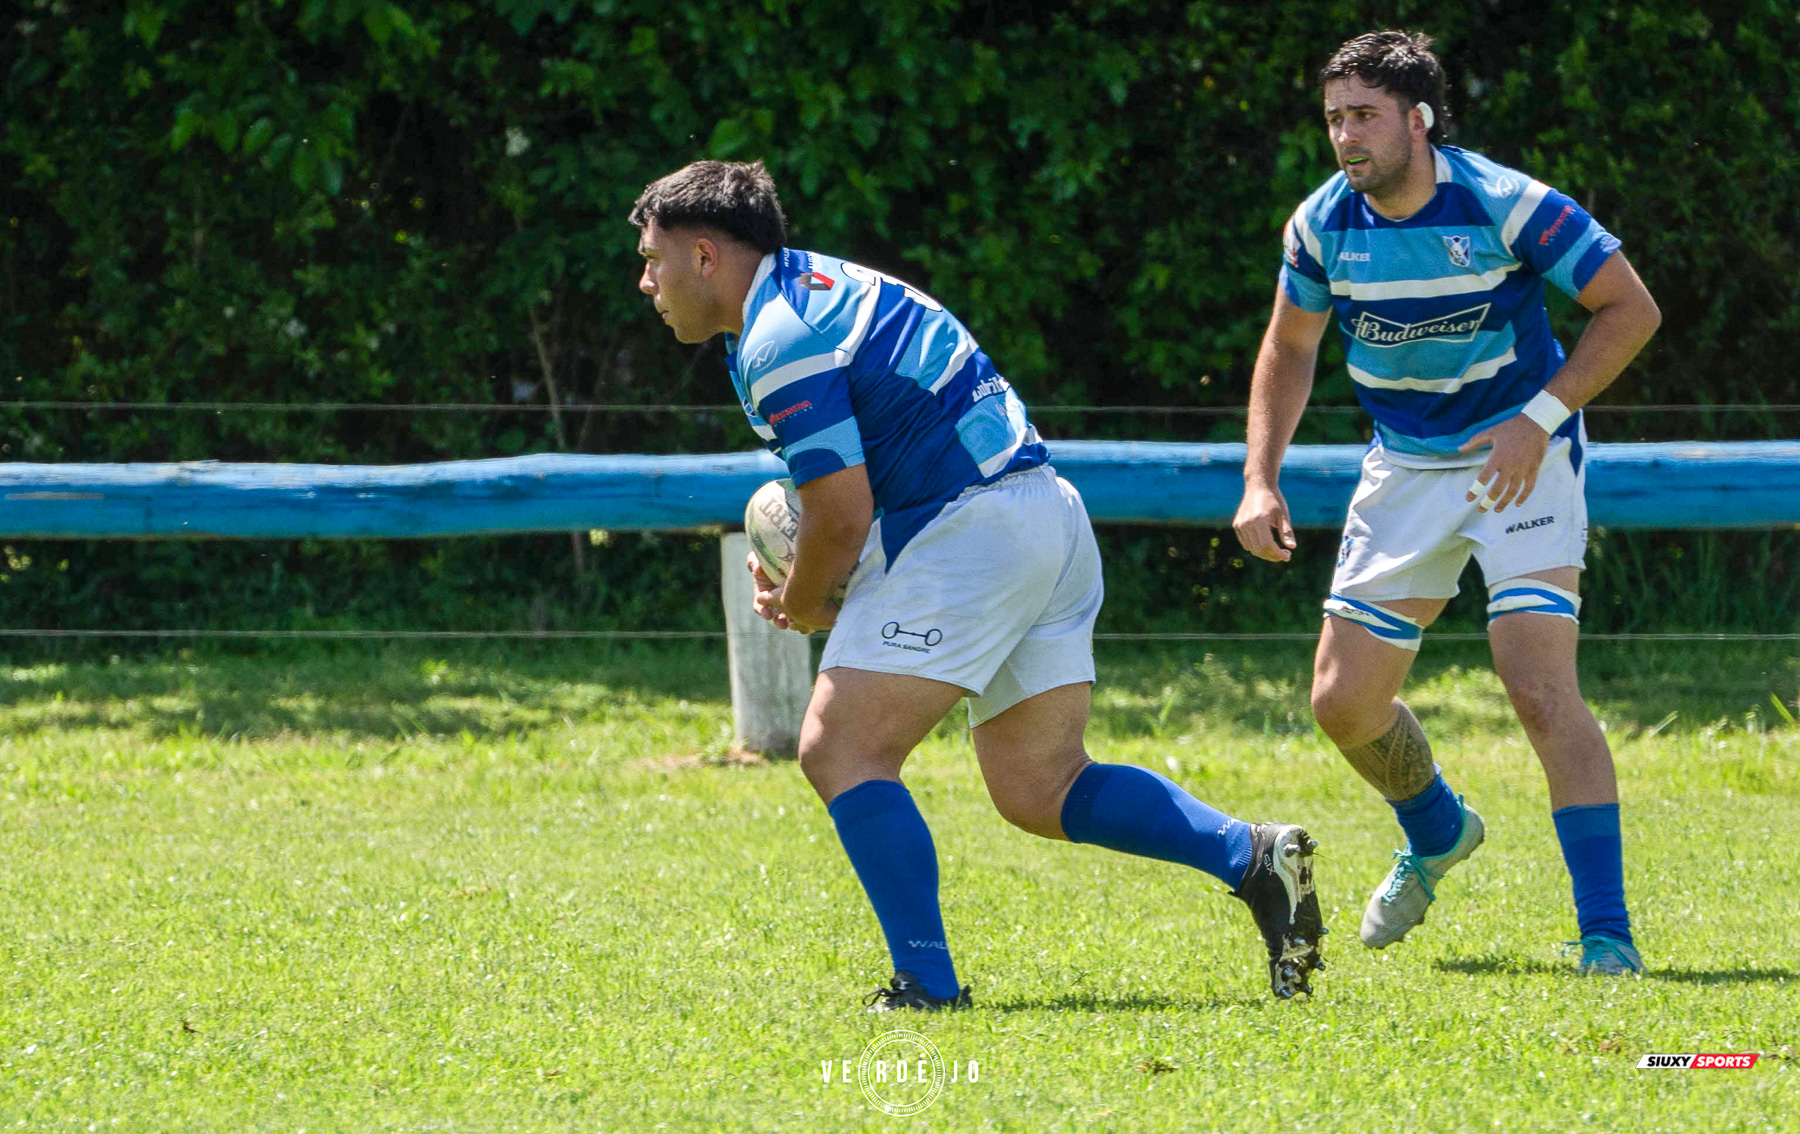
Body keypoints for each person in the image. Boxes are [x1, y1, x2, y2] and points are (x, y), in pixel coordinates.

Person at [631, 160, 1326, 1008]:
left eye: (653, 258)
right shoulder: (816, 289)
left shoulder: (780, 335)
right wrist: (819, 574)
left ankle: (926, 987)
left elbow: (842, 516)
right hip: (1044, 517)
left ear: (705, 256)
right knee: (1043, 785)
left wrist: (807, 602)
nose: (646, 281)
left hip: (975, 533)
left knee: (841, 746)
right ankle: (1251, 857)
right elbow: (856, 497)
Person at [1233, 31, 1661, 975]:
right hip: (1406, 466)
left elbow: (1631, 307)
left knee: (1538, 687)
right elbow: (1290, 347)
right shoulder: (1320, 225)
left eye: (1365, 117)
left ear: (1417, 121)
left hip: (1523, 454)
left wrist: (1538, 420)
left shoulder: (1507, 203)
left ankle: (1607, 938)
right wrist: (1260, 475)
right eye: (1335, 118)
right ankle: (1436, 832)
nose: (1346, 137)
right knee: (1343, 705)